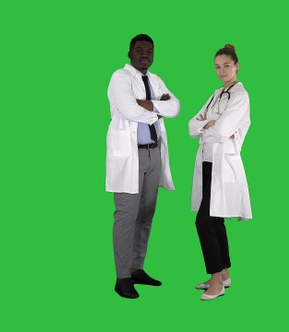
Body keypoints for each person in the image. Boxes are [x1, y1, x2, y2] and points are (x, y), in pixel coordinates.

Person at [106, 34, 180, 299]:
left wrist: (151, 106)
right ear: (129, 54)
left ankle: (137, 268)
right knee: (126, 216)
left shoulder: (156, 79)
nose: (145, 54)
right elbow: (129, 110)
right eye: (139, 50)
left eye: (149, 51)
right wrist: (158, 109)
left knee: (146, 213)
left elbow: (176, 107)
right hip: (129, 156)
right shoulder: (120, 78)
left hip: (153, 154)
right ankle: (122, 276)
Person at [188, 44, 252, 301]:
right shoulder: (215, 94)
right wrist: (207, 124)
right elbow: (191, 126)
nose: (221, 70)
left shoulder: (241, 96)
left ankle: (216, 280)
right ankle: (224, 273)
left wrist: (209, 125)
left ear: (237, 66)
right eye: (217, 66)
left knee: (203, 222)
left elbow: (224, 130)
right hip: (207, 163)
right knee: (214, 221)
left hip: (224, 165)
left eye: (226, 65)